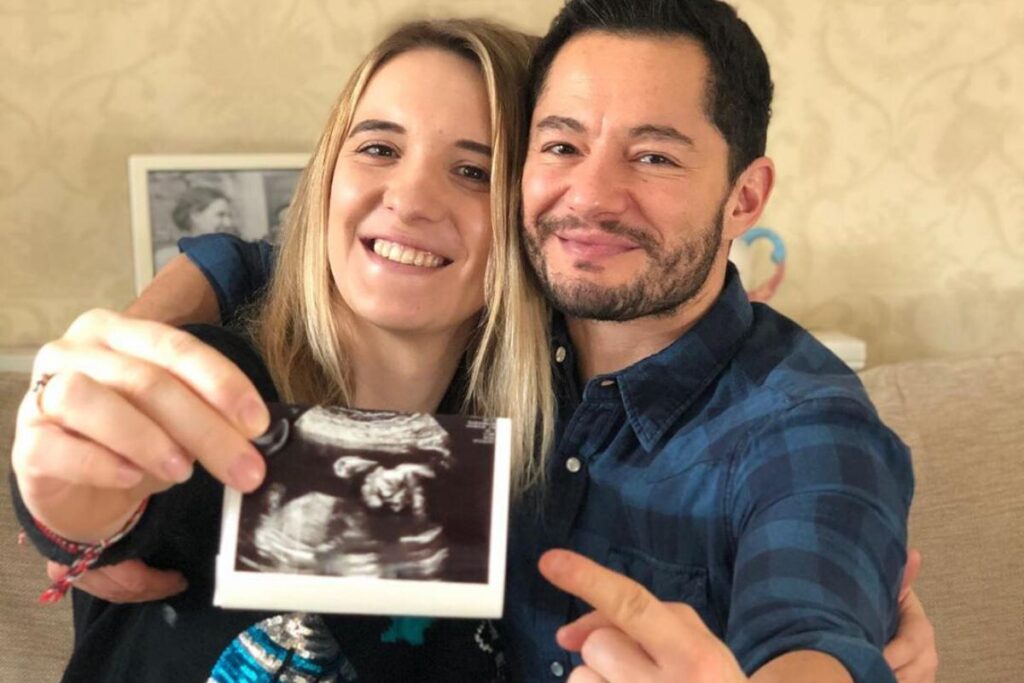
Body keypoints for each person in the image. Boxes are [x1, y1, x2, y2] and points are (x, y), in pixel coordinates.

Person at [16, 3, 939, 683]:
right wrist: (61, 495)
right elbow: (109, 480)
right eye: (563, 146)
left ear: (745, 196)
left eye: (654, 155)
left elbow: (812, 621)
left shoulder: (789, 423)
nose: (591, 196)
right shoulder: (248, 381)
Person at [11, 18, 551, 682]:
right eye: (379, 148)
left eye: (473, 171)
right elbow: (106, 493)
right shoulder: (221, 384)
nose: (410, 199)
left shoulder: (534, 463)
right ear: (326, 178)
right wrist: (67, 502)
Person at [155, 185, 238, 271]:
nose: (229, 223)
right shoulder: (168, 259)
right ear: (195, 216)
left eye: (230, 216)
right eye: (220, 215)